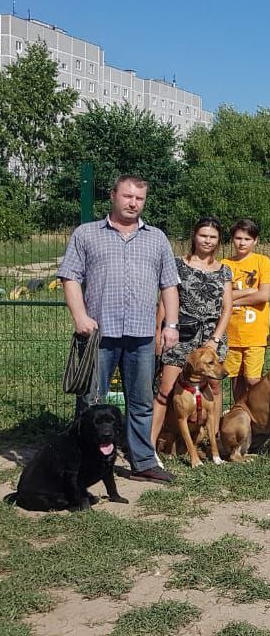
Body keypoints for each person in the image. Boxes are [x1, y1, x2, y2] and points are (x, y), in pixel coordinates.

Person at [58, 174, 181, 484]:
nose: (132, 203)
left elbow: (169, 285)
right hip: (98, 333)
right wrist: (79, 316)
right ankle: (84, 461)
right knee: (90, 401)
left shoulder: (157, 238)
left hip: (141, 335)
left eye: (139, 198)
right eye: (127, 196)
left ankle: (142, 461)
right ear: (113, 195)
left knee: (140, 400)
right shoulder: (86, 234)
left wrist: (171, 325)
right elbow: (69, 277)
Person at [151, 217, 233, 449]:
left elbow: (227, 308)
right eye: (203, 235)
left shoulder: (224, 270)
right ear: (194, 237)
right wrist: (159, 331)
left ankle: (212, 442)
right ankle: (148, 446)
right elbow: (165, 302)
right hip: (180, 334)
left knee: (214, 389)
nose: (207, 240)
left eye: (212, 237)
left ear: (218, 241)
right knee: (165, 390)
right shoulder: (177, 265)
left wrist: (216, 339)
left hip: (211, 338)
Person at [221, 219, 270, 401]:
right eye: (238, 238)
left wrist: (232, 299)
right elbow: (221, 297)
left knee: (253, 379)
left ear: (255, 241)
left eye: (247, 238)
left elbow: (263, 295)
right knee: (235, 380)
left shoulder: (263, 262)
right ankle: (240, 416)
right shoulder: (224, 264)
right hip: (231, 333)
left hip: (255, 333)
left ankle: (262, 417)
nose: (242, 243)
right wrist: (248, 291)